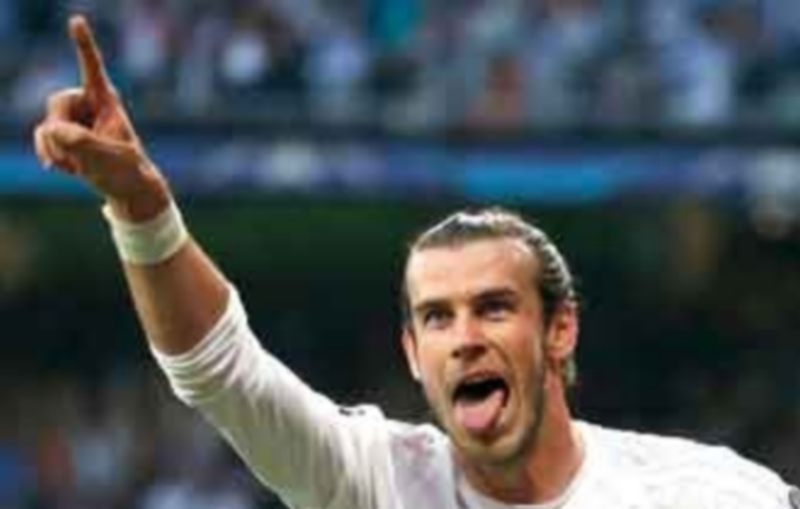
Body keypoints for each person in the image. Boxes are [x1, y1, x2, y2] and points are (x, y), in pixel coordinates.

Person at [33, 15, 798, 509]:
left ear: (560, 330)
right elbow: (219, 370)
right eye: (437, 316)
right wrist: (140, 207)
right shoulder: (378, 478)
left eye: (494, 306)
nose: (463, 334)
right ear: (412, 352)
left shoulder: (703, 494)